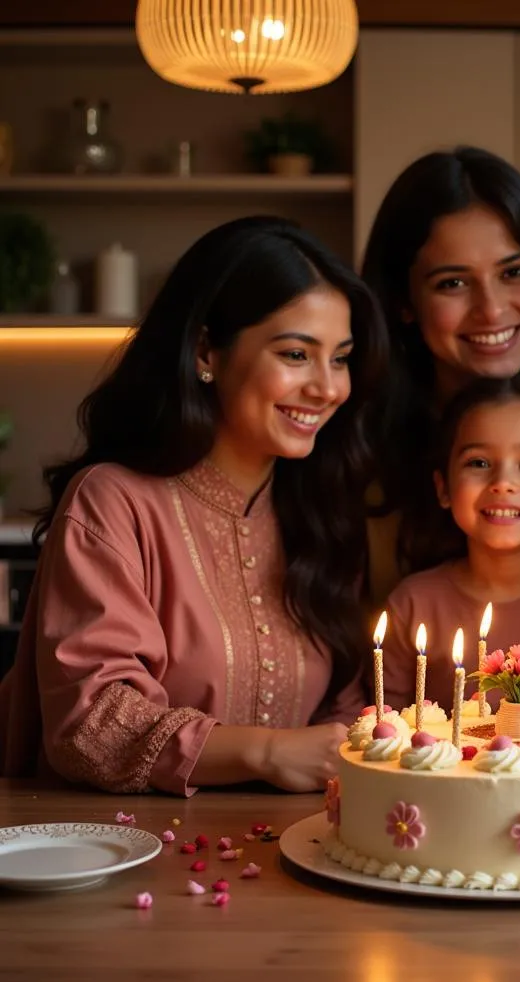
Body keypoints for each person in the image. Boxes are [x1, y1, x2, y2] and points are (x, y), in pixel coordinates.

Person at [0, 216, 387, 795]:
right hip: (113, 855)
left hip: (281, 858)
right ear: (206, 349)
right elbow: (93, 724)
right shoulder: (113, 501)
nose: (328, 387)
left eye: (340, 358)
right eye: (296, 354)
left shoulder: (319, 512)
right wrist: (268, 752)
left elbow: (343, 708)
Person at [361, 146, 520, 607]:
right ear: (403, 302)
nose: (492, 310)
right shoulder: (357, 444)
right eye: (452, 283)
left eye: (514, 272)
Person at [381, 375, 520, 713]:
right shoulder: (413, 605)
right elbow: (385, 726)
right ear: (444, 489)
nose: (502, 483)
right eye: (478, 463)